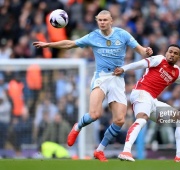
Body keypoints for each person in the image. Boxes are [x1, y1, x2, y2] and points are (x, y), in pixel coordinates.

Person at [33, 10, 153, 162]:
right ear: (97, 21)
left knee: (120, 120)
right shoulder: (93, 36)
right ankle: (78, 126)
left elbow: (140, 49)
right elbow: (70, 44)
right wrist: (48, 44)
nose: (102, 22)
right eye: (100, 20)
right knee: (95, 114)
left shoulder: (123, 35)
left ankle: (100, 150)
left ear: (111, 21)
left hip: (117, 79)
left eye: (105, 20)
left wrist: (146, 51)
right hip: (101, 78)